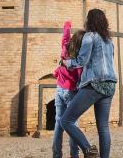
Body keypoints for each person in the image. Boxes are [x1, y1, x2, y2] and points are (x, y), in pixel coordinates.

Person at [60, 9, 117, 158]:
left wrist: (66, 62)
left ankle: (89, 151)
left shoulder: (89, 36)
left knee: (66, 120)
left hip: (94, 84)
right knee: (103, 128)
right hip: (110, 85)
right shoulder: (109, 41)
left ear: (89, 21)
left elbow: (81, 61)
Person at [52, 21, 84, 158]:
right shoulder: (79, 59)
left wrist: (67, 27)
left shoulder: (65, 48)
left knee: (59, 123)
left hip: (59, 89)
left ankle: (56, 154)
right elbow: (80, 77)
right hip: (71, 92)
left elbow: (65, 38)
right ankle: (74, 155)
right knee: (72, 124)